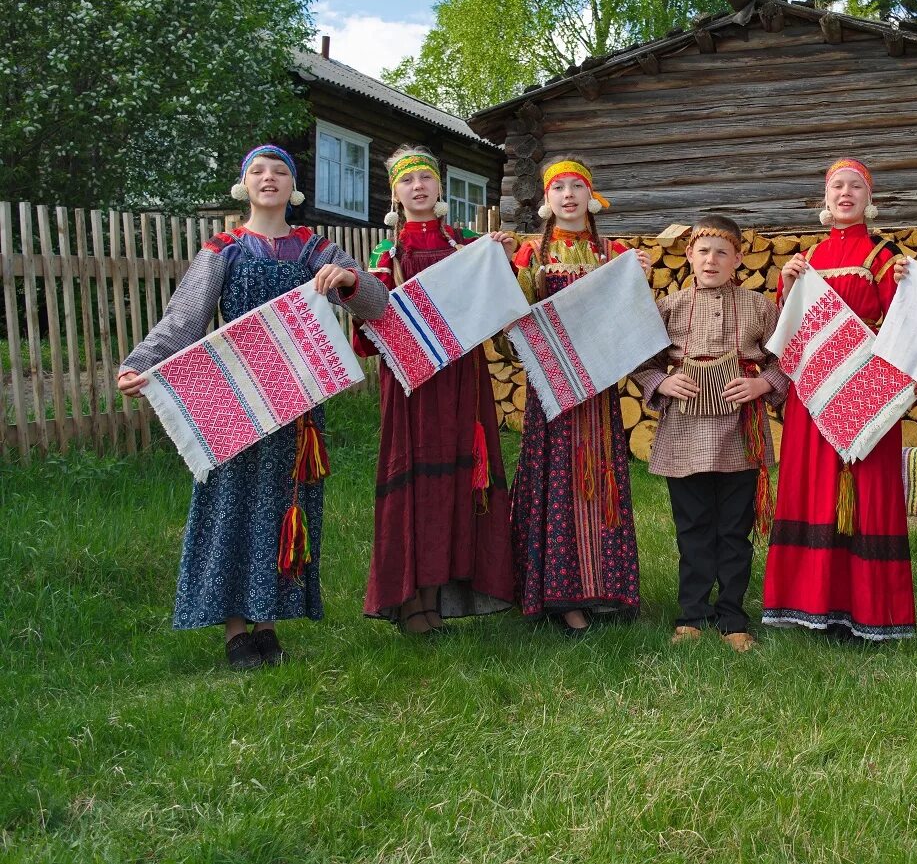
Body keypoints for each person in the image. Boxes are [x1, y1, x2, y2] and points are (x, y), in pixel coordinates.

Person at [117, 145, 387, 669]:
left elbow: (376, 303)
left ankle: (268, 623)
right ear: (245, 185)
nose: (270, 179)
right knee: (233, 505)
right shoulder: (223, 248)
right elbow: (184, 320)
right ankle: (235, 631)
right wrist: (142, 361)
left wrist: (350, 281)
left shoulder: (317, 250)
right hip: (237, 398)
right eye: (258, 172)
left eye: (280, 172)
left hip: (300, 402)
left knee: (285, 506)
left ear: (294, 188)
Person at [355, 146, 517, 635]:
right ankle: (409, 597)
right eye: (408, 181)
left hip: (462, 376)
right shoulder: (386, 255)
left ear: (440, 187)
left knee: (457, 478)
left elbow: (499, 304)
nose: (418, 187)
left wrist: (503, 260)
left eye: (426, 178)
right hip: (409, 383)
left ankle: (442, 593)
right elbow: (368, 333)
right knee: (416, 478)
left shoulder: (468, 243)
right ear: (395, 193)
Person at [760, 158, 916, 642]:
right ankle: (810, 602)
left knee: (864, 487)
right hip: (813, 388)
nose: (845, 193)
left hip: (865, 382)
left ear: (870, 198)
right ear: (825, 200)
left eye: (855, 187)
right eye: (837, 187)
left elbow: (904, 323)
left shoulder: (887, 256)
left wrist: (909, 284)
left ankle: (870, 609)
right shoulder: (807, 259)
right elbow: (790, 328)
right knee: (813, 485)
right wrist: (787, 285)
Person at [507, 156, 652, 634]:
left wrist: (639, 279)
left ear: (593, 196)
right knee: (558, 479)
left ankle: (607, 585)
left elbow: (633, 321)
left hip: (600, 385)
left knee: (600, 476)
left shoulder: (616, 252)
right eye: (558, 188)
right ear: (546, 201)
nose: (568, 195)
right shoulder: (528, 255)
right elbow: (514, 322)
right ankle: (560, 593)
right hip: (550, 386)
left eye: (577, 186)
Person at [631, 215, 787, 652]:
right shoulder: (668, 308)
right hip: (683, 431)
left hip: (741, 432)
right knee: (694, 526)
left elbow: (786, 358)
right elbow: (641, 359)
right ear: (689, 256)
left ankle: (733, 616)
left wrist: (761, 384)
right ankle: (692, 614)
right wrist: (661, 382)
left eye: (722, 251)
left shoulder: (760, 307)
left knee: (734, 530)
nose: (711, 259)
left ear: (738, 258)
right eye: (703, 251)